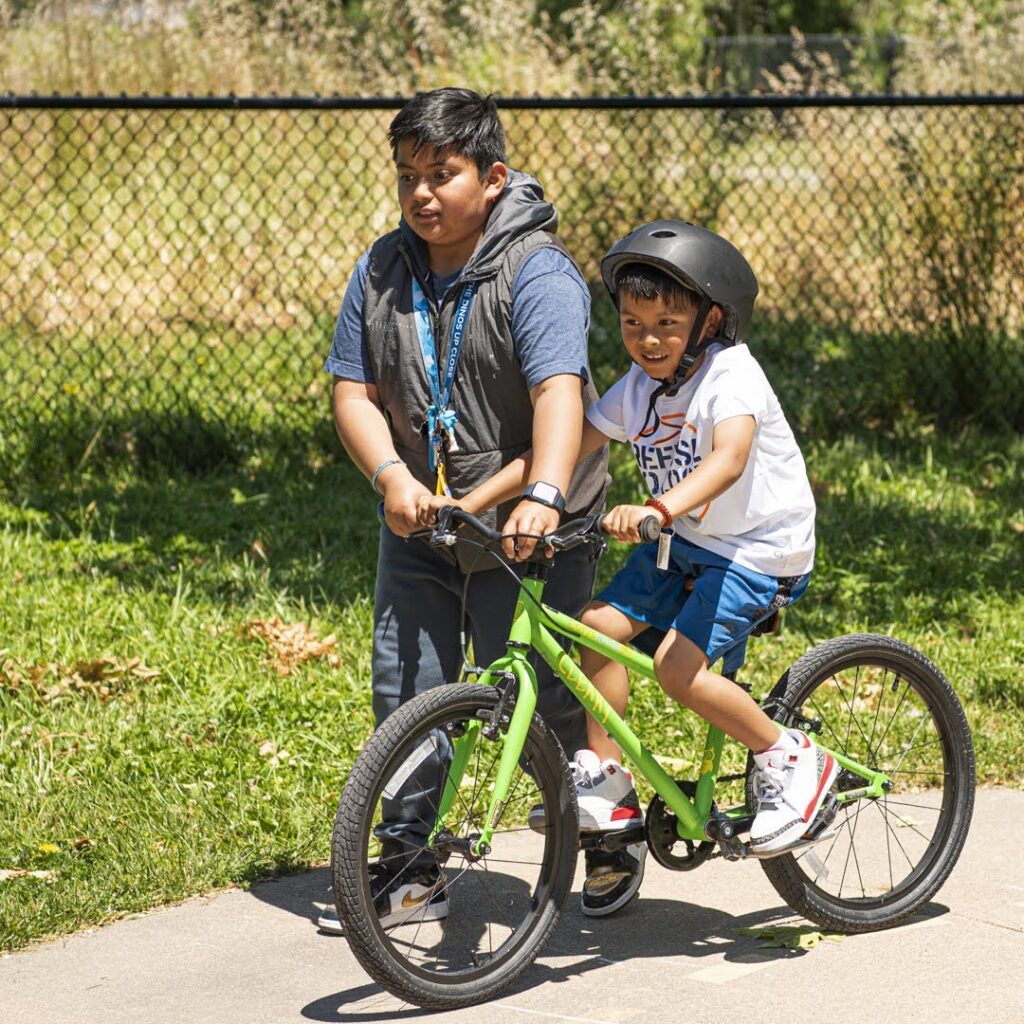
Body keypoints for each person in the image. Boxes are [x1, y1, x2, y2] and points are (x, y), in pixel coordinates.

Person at [449, 219, 831, 918]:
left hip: (756, 547)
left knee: (683, 674)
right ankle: (609, 780)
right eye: (632, 323)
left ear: (710, 321)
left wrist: (659, 505)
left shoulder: (731, 375)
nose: (648, 339)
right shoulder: (640, 387)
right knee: (595, 625)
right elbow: (565, 449)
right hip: (687, 540)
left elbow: (729, 459)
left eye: (666, 322)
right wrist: (471, 501)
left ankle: (791, 758)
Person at [317, 88, 608, 932]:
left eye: (442, 174)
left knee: (544, 695)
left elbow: (562, 394)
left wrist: (544, 495)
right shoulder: (383, 268)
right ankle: (411, 867)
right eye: (408, 175)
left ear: (493, 177)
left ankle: (600, 822)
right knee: (407, 691)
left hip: (527, 524)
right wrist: (391, 479)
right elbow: (352, 389)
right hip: (423, 523)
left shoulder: (538, 271)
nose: (421, 193)